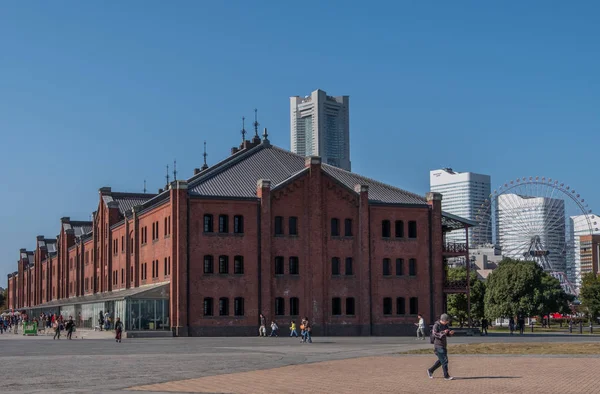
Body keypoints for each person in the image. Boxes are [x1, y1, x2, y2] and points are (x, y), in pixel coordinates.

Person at [427, 313, 455, 381]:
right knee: (445, 361)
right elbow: (435, 334)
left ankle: (430, 370)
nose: (448, 322)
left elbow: (447, 333)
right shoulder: (436, 325)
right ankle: (446, 376)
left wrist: (450, 333)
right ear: (443, 320)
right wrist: (443, 332)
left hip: (444, 345)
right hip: (438, 346)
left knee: (441, 361)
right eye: (447, 320)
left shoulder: (445, 325)